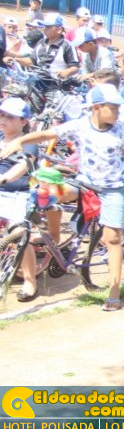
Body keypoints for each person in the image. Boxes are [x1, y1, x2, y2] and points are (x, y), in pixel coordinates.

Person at [1, 85, 124, 311]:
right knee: (44, 193)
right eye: (113, 107)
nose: (117, 112)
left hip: (111, 189)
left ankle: (114, 291)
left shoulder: (121, 129)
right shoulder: (79, 126)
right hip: (82, 184)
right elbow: (46, 134)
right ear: (97, 107)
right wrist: (18, 142)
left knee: (112, 239)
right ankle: (53, 237)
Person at [0, 98, 40, 301]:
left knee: (19, 234)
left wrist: (4, 178)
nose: (3, 119)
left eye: (10, 117)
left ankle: (30, 282)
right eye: (2, 114)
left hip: (20, 192)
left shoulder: (28, 142)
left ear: (23, 121)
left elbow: (22, 166)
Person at [14, 14, 79, 79]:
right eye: (45, 27)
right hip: (38, 81)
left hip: (57, 83)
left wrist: (67, 71)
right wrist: (15, 60)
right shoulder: (41, 43)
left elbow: (75, 67)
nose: (45, 29)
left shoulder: (67, 46)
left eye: (48, 27)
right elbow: (32, 61)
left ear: (59, 30)